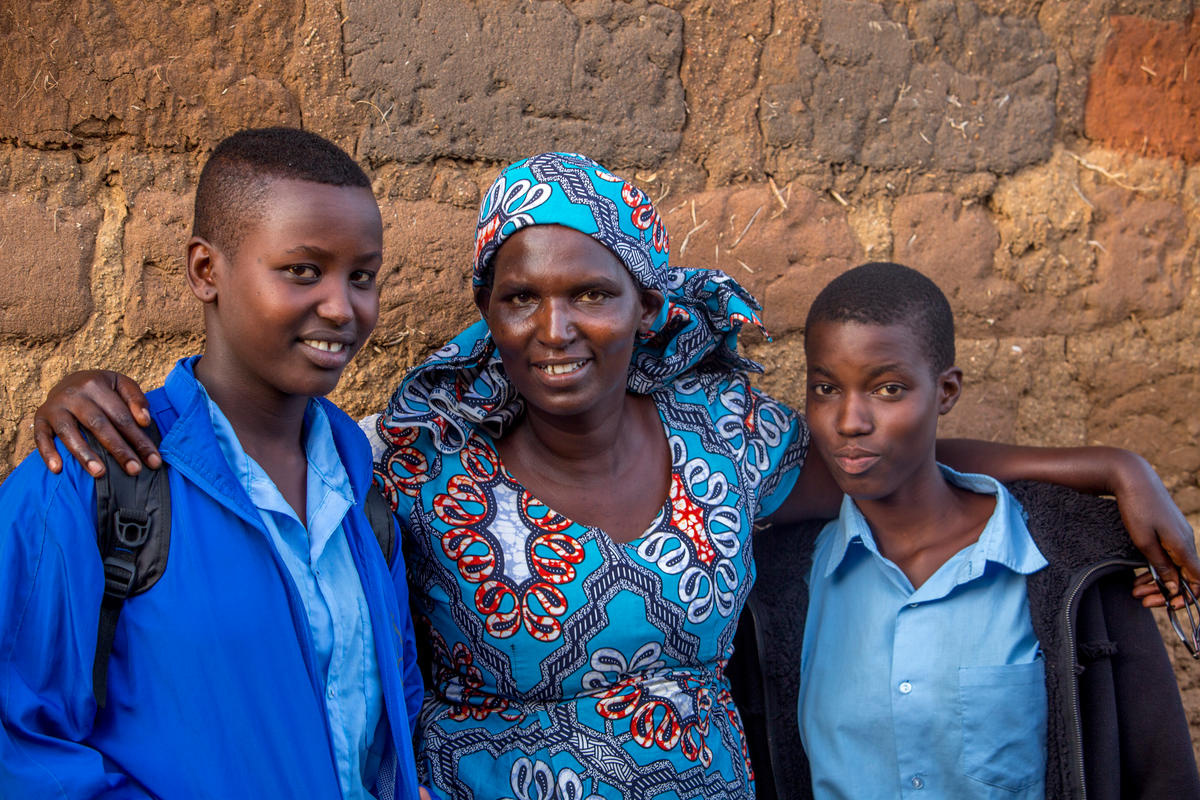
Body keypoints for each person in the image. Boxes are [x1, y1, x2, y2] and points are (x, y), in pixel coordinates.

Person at [29, 153, 1200, 799]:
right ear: (485, 312)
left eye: (591, 292)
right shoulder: (413, 459)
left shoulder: (721, 439)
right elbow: (248, 455)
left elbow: (879, 451)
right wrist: (101, 391)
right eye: (519, 296)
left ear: (646, 299)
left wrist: (1103, 462)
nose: (555, 327)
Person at [0, 128, 429, 799]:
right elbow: (18, 746)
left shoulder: (361, 492)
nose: (343, 308)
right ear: (206, 271)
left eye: (363, 276)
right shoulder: (93, 479)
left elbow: (388, 709)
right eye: (303, 271)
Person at [795, 262, 1200, 799]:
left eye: (888, 389)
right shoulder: (782, 580)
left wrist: (1123, 467)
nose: (850, 421)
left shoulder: (1072, 568)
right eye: (825, 388)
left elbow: (1162, 777)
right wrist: (1116, 465)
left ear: (946, 391)